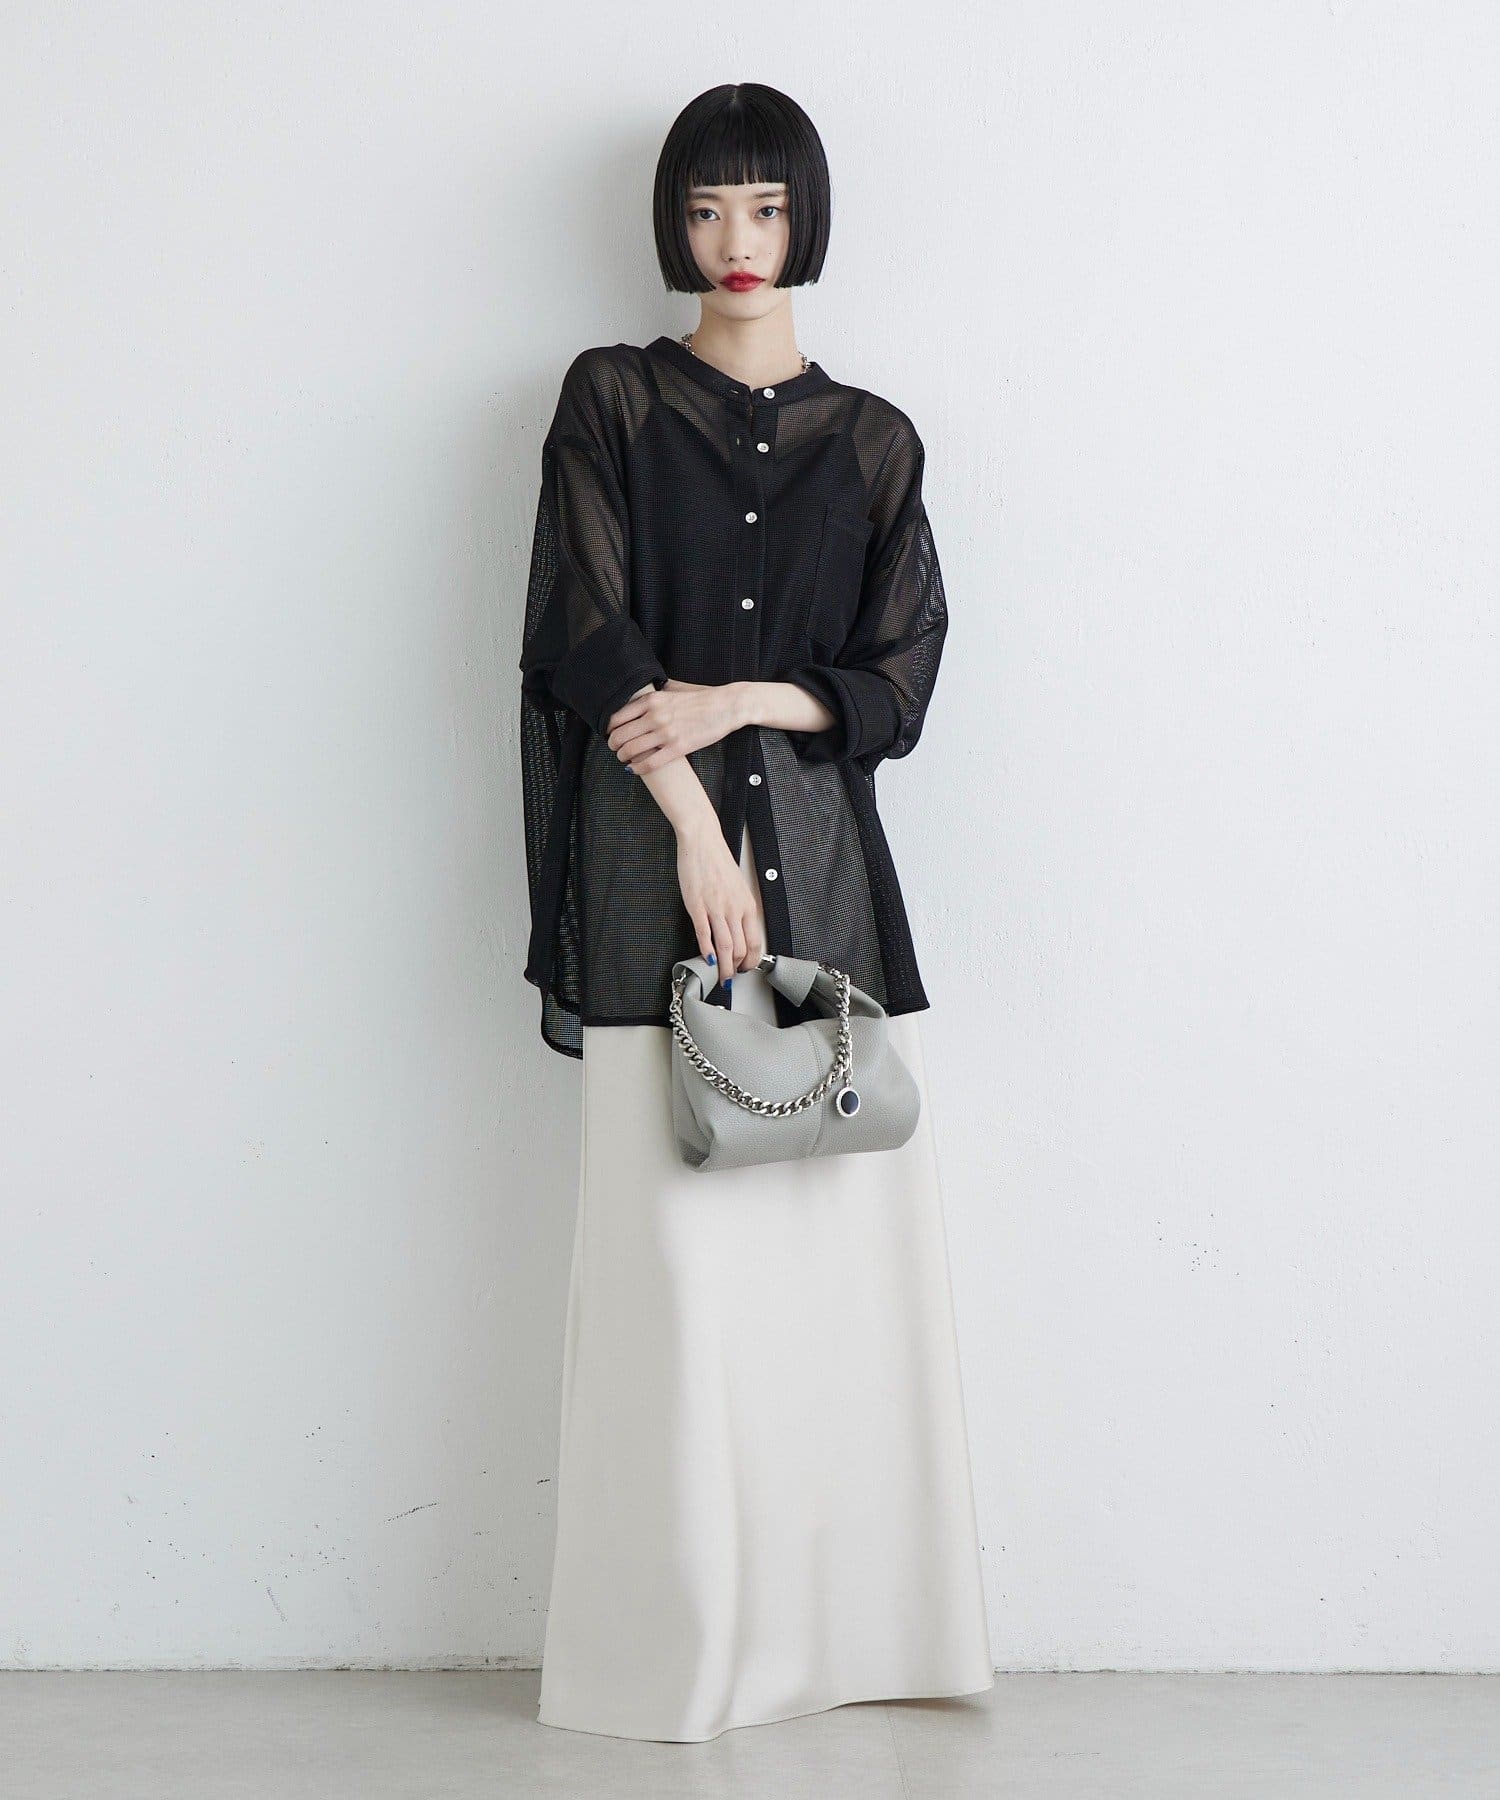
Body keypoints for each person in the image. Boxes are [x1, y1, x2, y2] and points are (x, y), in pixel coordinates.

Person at [518, 81, 993, 1742]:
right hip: (654, 873)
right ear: (675, 222)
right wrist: (693, 825)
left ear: (807, 222)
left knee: (832, 1289)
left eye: (768, 208)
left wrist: (743, 704)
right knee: (671, 1283)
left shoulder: (876, 441)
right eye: (710, 206)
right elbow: (583, 637)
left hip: (825, 877)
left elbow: (897, 679)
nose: (738, 241)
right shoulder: (611, 400)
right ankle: (677, 1658)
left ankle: (854, 1639)